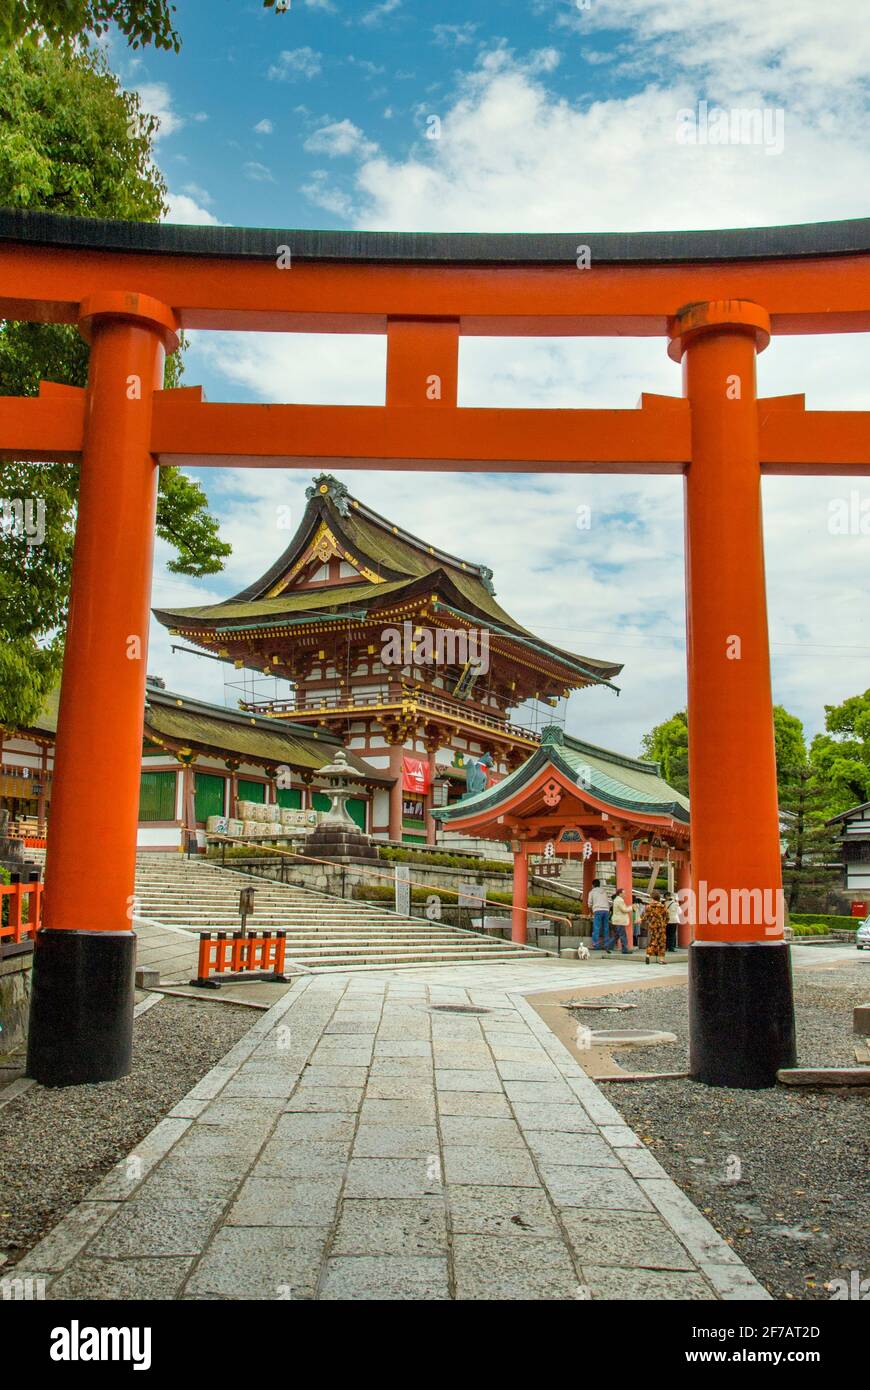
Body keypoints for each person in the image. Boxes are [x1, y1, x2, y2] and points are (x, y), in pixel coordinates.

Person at [642, 889, 669, 964]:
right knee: (661, 942)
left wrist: (648, 921)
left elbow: (645, 917)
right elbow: (667, 916)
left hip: (652, 926)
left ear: (652, 897)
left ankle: (648, 954)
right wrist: (664, 923)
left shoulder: (648, 906)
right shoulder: (662, 906)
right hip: (661, 926)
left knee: (653, 940)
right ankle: (661, 959)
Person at [587, 877, 613, 952]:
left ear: (593, 885)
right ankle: (606, 945)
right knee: (606, 928)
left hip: (597, 910)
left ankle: (596, 945)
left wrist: (590, 913)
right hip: (606, 910)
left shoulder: (592, 892)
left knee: (596, 928)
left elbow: (589, 904)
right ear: (599, 884)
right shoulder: (604, 891)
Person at [610, 888, 633, 955]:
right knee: (623, 936)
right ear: (620, 894)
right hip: (620, 920)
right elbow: (624, 910)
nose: (625, 894)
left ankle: (608, 946)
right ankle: (625, 949)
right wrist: (631, 908)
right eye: (623, 893)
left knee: (616, 935)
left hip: (618, 920)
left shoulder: (617, 900)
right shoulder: (620, 900)